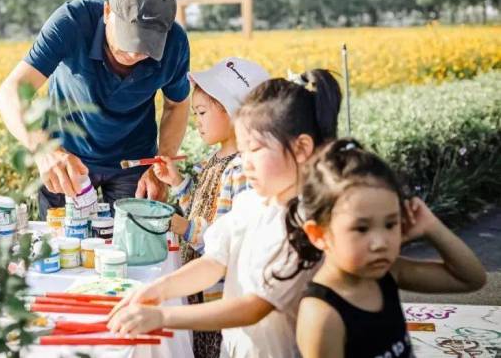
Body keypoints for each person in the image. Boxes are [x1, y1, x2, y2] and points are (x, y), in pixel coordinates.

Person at [109, 69, 342, 358]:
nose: (246, 162)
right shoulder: (253, 204)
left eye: (254, 149)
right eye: (243, 150)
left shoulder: (305, 225)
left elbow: (253, 307)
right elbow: (215, 261)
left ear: (302, 148)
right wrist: (156, 290)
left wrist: (164, 317)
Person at [0, 0, 190, 219]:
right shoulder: (72, 21)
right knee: (62, 246)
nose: (133, 53)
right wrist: (43, 149)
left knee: (131, 247)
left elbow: (176, 106)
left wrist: (160, 162)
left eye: (147, 45)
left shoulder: (176, 44)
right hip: (65, 158)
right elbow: (9, 93)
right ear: (107, 12)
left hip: (133, 164)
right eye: (128, 38)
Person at [278, 138, 487, 358]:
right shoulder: (321, 314)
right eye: (361, 228)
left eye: (390, 224)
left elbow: (471, 278)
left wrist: (431, 226)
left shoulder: (388, 274)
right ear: (319, 234)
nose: (380, 243)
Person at [153, 57, 269, 358]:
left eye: (202, 112)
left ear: (233, 113)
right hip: (201, 291)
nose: (196, 121)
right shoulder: (215, 159)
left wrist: (185, 227)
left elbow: (228, 241)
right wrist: (178, 183)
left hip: (218, 295)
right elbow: (202, 209)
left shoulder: (242, 169)